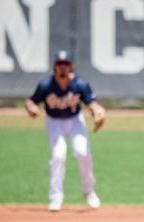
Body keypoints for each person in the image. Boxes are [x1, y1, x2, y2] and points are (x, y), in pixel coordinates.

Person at [25, 50, 106, 212]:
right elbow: (31, 101)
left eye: (66, 64)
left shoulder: (80, 84)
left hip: (75, 121)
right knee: (58, 155)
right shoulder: (46, 85)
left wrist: (98, 112)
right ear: (55, 67)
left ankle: (89, 191)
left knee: (83, 153)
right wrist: (32, 109)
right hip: (54, 122)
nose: (63, 67)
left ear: (71, 67)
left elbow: (92, 103)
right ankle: (56, 197)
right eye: (59, 64)